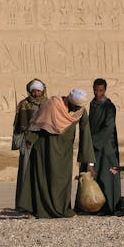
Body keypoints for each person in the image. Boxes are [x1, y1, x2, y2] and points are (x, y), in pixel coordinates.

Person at [17, 88, 96, 218]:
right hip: (45, 147)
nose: (77, 109)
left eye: (79, 107)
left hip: (65, 152)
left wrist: (89, 162)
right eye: (75, 106)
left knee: (62, 180)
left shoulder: (81, 111)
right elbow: (39, 121)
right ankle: (40, 210)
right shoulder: (53, 104)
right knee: (43, 177)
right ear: (70, 101)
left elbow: (86, 134)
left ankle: (61, 209)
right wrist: (30, 139)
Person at [78, 78, 120, 215]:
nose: (97, 93)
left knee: (105, 175)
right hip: (94, 144)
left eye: (100, 90)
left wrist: (93, 142)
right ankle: (90, 206)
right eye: (95, 90)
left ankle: (108, 207)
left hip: (107, 146)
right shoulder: (93, 104)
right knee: (91, 174)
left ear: (105, 90)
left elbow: (109, 127)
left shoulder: (109, 107)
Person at [11, 78, 47, 211]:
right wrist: (19, 143)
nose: (36, 94)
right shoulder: (24, 104)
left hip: (43, 141)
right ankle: (23, 205)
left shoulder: (48, 104)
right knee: (26, 171)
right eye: (34, 91)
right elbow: (18, 125)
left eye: (38, 91)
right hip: (27, 142)